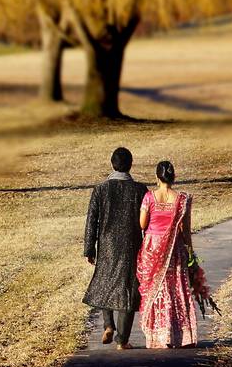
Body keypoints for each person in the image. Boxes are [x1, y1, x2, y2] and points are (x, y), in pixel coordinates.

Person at [82, 147, 149, 350]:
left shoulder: (100, 189)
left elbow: (91, 221)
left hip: (107, 244)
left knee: (105, 282)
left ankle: (108, 325)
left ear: (112, 164)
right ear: (130, 164)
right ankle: (122, 340)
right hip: (131, 244)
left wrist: (89, 248)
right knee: (128, 288)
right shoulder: (140, 190)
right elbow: (147, 221)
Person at [137, 160, 198, 348]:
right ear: (174, 177)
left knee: (157, 292)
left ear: (157, 177)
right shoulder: (182, 199)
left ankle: (159, 336)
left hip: (153, 247)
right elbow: (185, 230)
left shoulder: (149, 197)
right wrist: (191, 254)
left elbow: (142, 224)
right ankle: (178, 335)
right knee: (174, 289)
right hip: (174, 248)